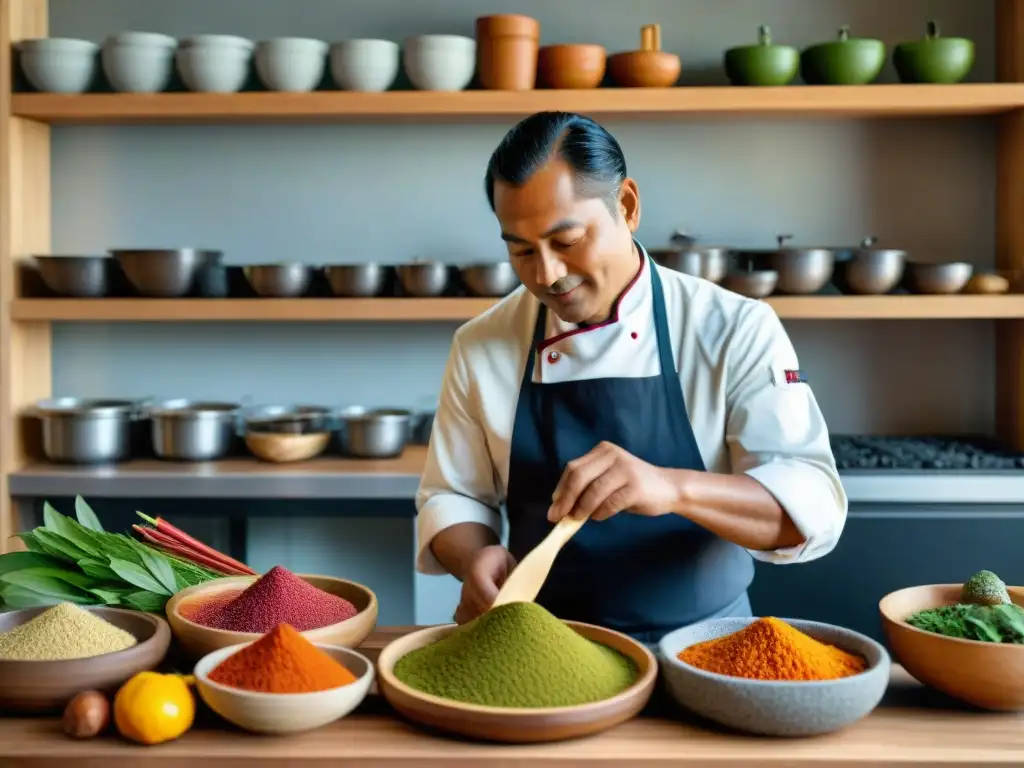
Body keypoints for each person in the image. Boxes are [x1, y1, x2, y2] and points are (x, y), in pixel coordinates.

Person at [415, 111, 847, 644]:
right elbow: (451, 497)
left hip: (709, 646)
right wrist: (474, 554)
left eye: (567, 240)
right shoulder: (481, 344)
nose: (546, 274)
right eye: (521, 251)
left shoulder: (734, 327)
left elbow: (812, 506)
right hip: (544, 649)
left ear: (627, 205)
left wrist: (672, 487)